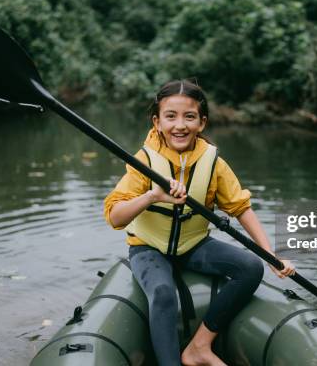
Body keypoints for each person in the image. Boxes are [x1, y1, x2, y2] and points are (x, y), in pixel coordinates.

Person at [104, 80, 295, 366]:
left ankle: (199, 346)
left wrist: (270, 256)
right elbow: (114, 216)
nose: (179, 125)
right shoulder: (143, 161)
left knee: (250, 268)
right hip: (148, 248)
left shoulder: (213, 161)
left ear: (202, 122)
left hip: (194, 245)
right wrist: (152, 196)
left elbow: (241, 208)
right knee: (163, 293)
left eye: (189, 116)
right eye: (170, 116)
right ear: (157, 121)